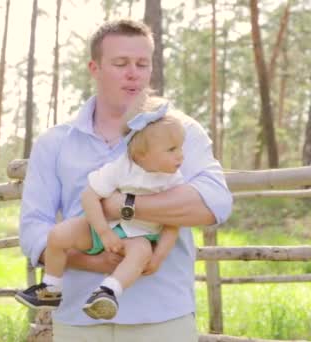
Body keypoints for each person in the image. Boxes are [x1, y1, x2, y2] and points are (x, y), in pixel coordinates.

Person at [18, 19, 232, 342]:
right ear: (95, 67)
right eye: (120, 63)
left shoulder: (182, 132)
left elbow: (214, 203)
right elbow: (34, 229)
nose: (133, 72)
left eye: (142, 63)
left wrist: (127, 207)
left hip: (162, 316)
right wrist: (94, 261)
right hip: (79, 321)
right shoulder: (54, 143)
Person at [15, 92, 186, 321]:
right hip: (101, 227)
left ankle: (109, 291)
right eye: (172, 150)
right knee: (57, 235)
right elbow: (90, 196)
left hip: (138, 236)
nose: (181, 156)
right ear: (143, 155)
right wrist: (103, 231)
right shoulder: (120, 167)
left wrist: (159, 256)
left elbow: (173, 224)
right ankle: (51, 287)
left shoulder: (173, 181)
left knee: (141, 252)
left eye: (180, 148)